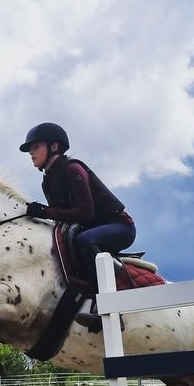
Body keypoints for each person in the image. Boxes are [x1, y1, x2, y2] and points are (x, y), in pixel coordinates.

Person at [19, 122, 136, 330]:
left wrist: (45, 212)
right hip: (87, 227)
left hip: (119, 226)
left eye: (35, 147)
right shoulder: (47, 182)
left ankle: (109, 307)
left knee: (85, 241)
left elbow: (85, 212)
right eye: (29, 149)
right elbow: (61, 218)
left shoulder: (72, 168)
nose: (31, 152)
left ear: (54, 146)